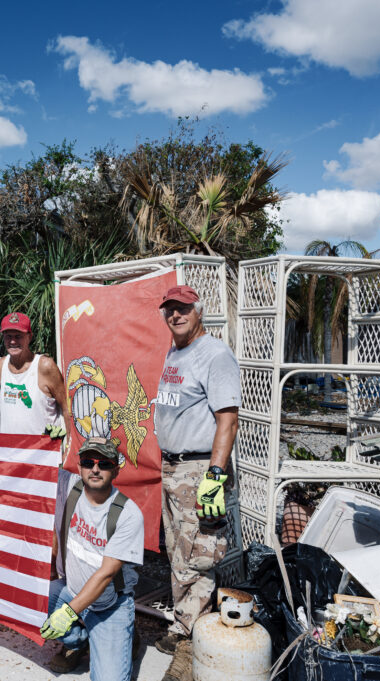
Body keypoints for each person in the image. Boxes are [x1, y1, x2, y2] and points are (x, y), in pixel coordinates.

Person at [151, 285, 240, 681]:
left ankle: (191, 647)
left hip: (203, 471)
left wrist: (215, 481)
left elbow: (228, 420)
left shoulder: (215, 354)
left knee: (201, 555)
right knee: (178, 552)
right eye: (170, 309)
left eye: (183, 308)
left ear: (198, 311)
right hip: (173, 470)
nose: (176, 315)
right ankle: (184, 625)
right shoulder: (176, 351)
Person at [41, 437, 144, 681]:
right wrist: (46, 440)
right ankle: (78, 641)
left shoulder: (128, 514)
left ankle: (125, 636)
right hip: (70, 590)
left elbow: (106, 574)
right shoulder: (67, 486)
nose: (95, 469)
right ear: (79, 467)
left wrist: (68, 613)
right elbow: (34, 466)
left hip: (108, 606)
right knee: (27, 596)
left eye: (104, 464)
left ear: (116, 470)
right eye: (88, 462)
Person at [0, 311, 72, 441]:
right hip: (10, 453)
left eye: (18, 336)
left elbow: (67, 409)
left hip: (43, 453)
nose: (12, 341)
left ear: (29, 336)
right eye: (8, 336)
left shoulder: (45, 366)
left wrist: (68, 448)